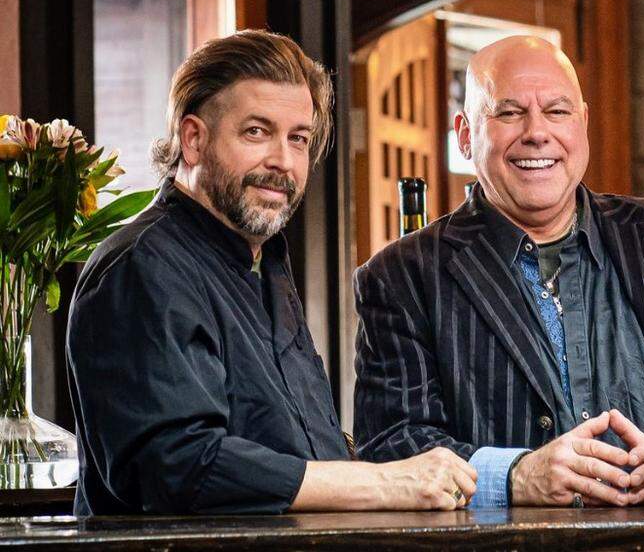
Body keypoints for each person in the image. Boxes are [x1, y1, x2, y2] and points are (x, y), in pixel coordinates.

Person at [67, 29, 475, 516]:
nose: (283, 161)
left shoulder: (265, 262)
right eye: (256, 132)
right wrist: (382, 483)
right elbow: (178, 466)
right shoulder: (142, 265)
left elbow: (298, 446)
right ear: (193, 139)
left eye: (298, 139)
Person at [354, 35, 644, 508]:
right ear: (465, 135)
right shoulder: (401, 277)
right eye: (509, 113)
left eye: (557, 111)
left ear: (583, 123)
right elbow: (393, 441)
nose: (536, 132)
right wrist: (512, 477)